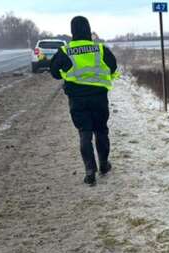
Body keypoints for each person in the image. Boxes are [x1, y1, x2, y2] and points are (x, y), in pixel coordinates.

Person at [49, 16, 119, 186]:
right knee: (101, 131)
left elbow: (54, 72)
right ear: (88, 29)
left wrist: (68, 74)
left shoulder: (65, 51)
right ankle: (103, 164)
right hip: (99, 97)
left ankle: (89, 170)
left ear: (72, 31)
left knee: (84, 133)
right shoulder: (100, 49)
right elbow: (113, 66)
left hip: (77, 100)